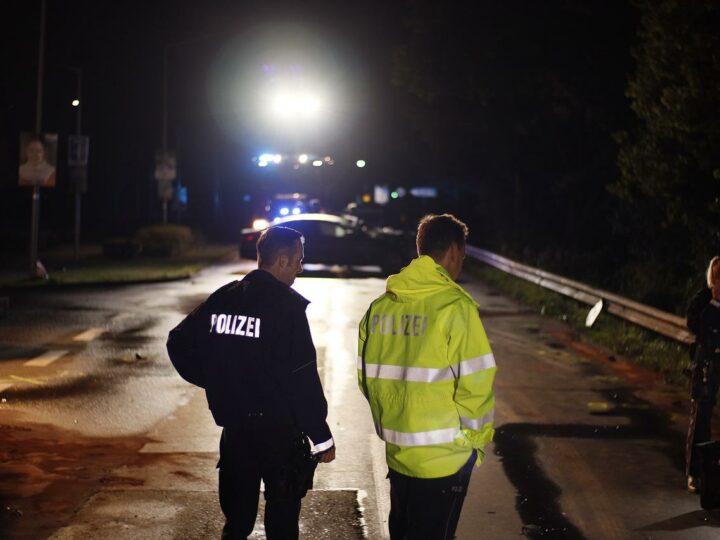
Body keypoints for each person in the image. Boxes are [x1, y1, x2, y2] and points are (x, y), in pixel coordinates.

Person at [167, 226, 335, 539]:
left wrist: (219, 380)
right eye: (298, 261)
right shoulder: (287, 309)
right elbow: (302, 377)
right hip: (280, 437)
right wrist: (321, 436)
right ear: (282, 261)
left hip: (236, 436)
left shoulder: (224, 298)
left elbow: (178, 342)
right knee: (282, 525)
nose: (300, 268)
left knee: (237, 524)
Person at [358, 213, 496, 539]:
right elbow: (475, 385)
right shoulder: (455, 307)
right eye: (462, 255)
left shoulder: (381, 307)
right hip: (444, 460)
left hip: (398, 453)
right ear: (452, 252)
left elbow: (367, 379)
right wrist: (473, 444)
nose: (461, 262)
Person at [686, 255, 720, 493]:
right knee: (701, 418)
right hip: (706, 363)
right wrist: (713, 303)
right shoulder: (703, 300)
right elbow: (693, 323)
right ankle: (695, 473)